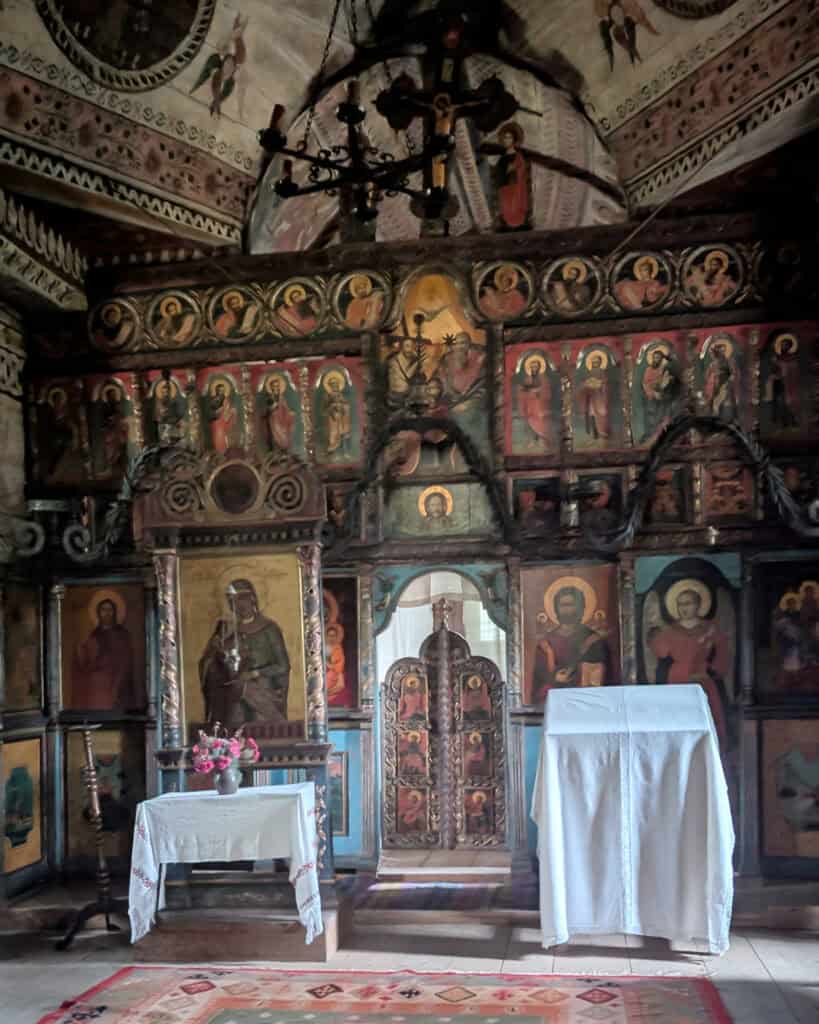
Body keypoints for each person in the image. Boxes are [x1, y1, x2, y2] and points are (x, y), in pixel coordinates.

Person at [199, 579, 291, 728]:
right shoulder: (228, 632)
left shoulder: (269, 629)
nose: (238, 605)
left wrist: (254, 674)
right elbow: (210, 665)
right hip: (234, 689)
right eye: (232, 601)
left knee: (243, 693)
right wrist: (215, 652)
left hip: (264, 689)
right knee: (232, 714)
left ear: (253, 599)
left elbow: (283, 666)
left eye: (242, 598)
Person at [648, 585, 730, 745]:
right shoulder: (669, 631)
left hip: (703, 679)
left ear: (698, 605)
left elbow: (723, 654)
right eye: (680, 604)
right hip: (676, 679)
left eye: (688, 603)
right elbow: (661, 652)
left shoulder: (710, 630)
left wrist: (712, 669)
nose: (684, 608)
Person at [531, 585, 610, 702]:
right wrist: (554, 678)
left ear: (581, 608)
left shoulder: (593, 640)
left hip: (585, 698)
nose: (567, 609)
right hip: (555, 699)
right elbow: (539, 679)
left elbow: (599, 675)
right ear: (556, 609)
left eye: (572, 605)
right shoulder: (545, 642)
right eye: (563, 605)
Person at [72, 597, 135, 709]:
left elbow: (126, 661)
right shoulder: (94, 634)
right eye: (103, 610)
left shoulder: (123, 634)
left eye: (109, 610)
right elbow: (89, 660)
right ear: (98, 613)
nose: (107, 613)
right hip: (100, 685)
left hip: (119, 682)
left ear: (115, 612)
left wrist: (117, 684)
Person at [492, 122, 530, 231]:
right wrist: (504, 172)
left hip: (516, 189)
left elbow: (522, 173)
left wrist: (514, 169)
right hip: (505, 189)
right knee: (507, 212)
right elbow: (498, 175)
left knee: (516, 213)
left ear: (514, 139)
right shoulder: (502, 159)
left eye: (509, 138)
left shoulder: (518, 157)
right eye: (505, 138)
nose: (506, 140)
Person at [640, 345, 679, 440]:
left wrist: (667, 381)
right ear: (652, 358)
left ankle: (663, 434)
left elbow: (669, 382)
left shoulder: (664, 369)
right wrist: (653, 393)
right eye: (655, 357)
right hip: (652, 397)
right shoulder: (648, 370)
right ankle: (651, 435)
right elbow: (645, 384)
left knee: (664, 415)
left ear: (661, 359)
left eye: (658, 358)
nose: (656, 359)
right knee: (652, 416)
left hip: (664, 397)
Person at [516, 355, 553, 449]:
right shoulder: (527, 379)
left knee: (540, 423)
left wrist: (538, 391)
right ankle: (533, 440)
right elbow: (523, 390)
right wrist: (525, 390)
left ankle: (543, 441)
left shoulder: (544, 378)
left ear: (539, 367)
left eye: (535, 366)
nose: (533, 368)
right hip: (530, 405)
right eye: (532, 367)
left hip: (540, 405)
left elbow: (546, 391)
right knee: (529, 422)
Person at [766, 335, 800, 429]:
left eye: (785, 345)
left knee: (788, 402)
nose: (783, 347)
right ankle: (784, 422)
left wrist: (782, 367)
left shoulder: (792, 357)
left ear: (789, 346)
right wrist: (774, 374)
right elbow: (773, 370)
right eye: (782, 345)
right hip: (778, 383)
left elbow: (792, 369)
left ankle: (792, 421)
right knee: (779, 402)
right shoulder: (776, 357)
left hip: (789, 383)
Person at [578, 353, 610, 441]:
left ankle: (602, 432)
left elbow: (605, 383)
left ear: (600, 362)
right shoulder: (589, 373)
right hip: (591, 398)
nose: (595, 363)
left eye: (597, 362)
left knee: (600, 413)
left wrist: (599, 384)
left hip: (599, 397)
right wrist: (586, 384)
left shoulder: (602, 372)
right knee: (592, 414)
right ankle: (595, 432)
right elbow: (583, 384)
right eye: (594, 362)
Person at [703, 342, 738, 421]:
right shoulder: (713, 363)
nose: (721, 353)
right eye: (720, 351)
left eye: (723, 351)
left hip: (725, 385)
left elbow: (733, 373)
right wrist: (711, 377)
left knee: (722, 402)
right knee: (713, 402)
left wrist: (728, 382)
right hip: (715, 385)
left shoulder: (728, 361)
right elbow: (707, 375)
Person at [322, 373, 353, 460]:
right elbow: (324, 409)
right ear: (330, 386)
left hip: (341, 419)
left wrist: (343, 406)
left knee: (342, 435)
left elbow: (346, 405)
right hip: (332, 420)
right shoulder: (327, 396)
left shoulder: (341, 395)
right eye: (333, 385)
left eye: (336, 384)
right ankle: (333, 454)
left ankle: (344, 452)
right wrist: (332, 406)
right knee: (333, 437)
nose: (335, 386)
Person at [263, 376, 295, 453]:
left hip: (282, 419)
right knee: (276, 436)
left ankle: (283, 450)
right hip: (273, 420)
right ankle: (276, 450)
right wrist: (274, 406)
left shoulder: (281, 397)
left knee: (284, 433)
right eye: (274, 386)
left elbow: (285, 408)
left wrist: (290, 412)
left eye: (277, 386)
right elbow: (268, 409)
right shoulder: (270, 398)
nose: (276, 388)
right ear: (271, 388)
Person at [207, 381, 241, 453]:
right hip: (216, 421)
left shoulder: (226, 399)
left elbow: (227, 409)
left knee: (225, 436)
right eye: (220, 390)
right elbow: (211, 412)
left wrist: (232, 411)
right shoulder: (213, 400)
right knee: (218, 435)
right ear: (217, 391)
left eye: (223, 390)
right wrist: (219, 411)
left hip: (224, 420)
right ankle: (218, 450)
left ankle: (225, 450)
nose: (222, 392)